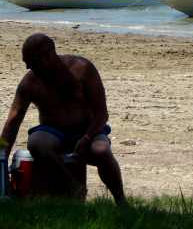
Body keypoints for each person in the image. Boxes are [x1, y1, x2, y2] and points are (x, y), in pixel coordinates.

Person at [0, 33, 125, 204]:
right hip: (53, 131)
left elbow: (102, 114)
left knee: (101, 150)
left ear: (49, 54)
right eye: (26, 62)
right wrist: (2, 156)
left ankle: (121, 200)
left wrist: (87, 137)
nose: (28, 66)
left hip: (88, 129)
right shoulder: (29, 83)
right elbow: (13, 121)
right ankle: (73, 187)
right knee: (37, 143)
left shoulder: (83, 69)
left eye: (32, 61)